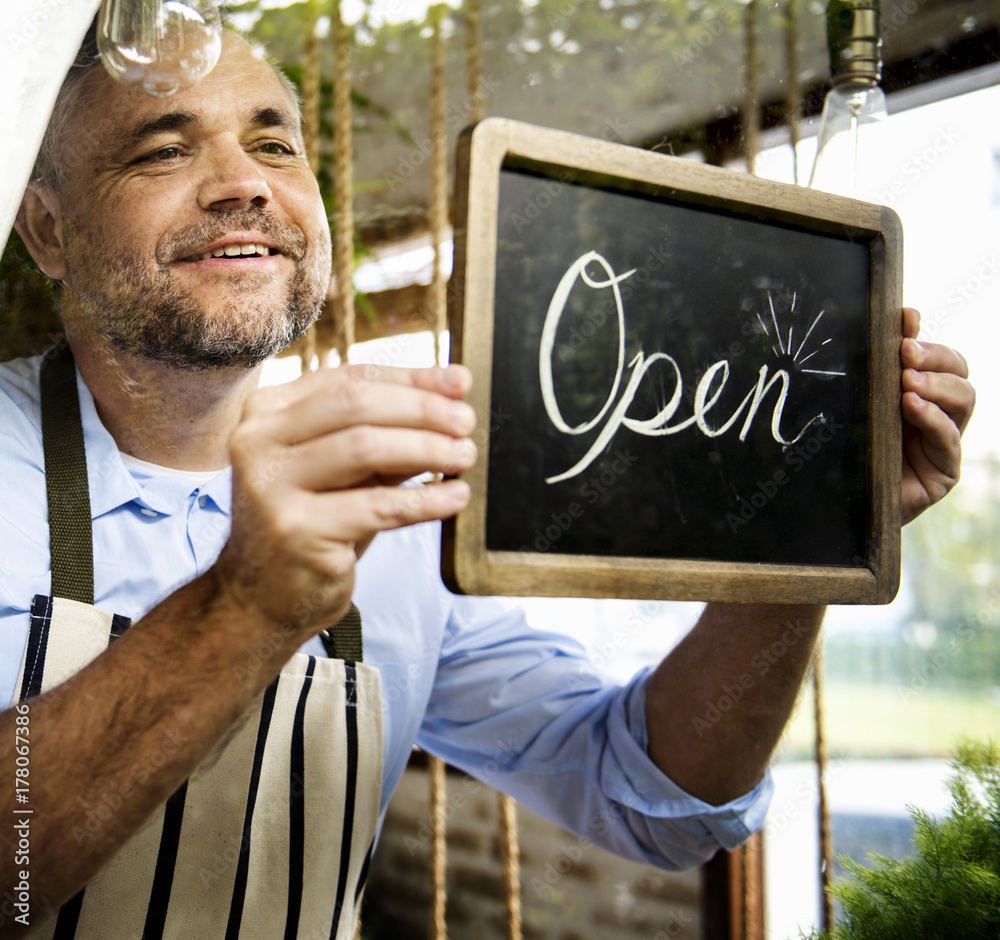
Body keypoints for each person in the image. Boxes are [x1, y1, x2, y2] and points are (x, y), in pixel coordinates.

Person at [0, 26, 974, 940]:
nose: (243, 186)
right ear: (46, 228)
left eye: (277, 145)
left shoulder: (400, 509)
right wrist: (244, 608)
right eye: (164, 150)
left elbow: (649, 793)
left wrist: (808, 517)